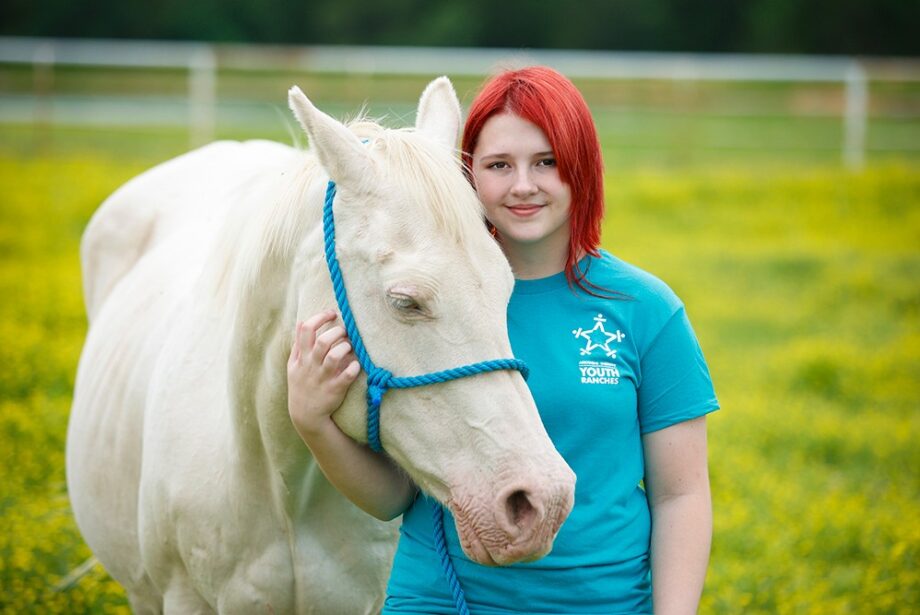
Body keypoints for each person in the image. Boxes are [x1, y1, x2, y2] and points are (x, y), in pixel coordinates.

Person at [287, 66, 719, 614]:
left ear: (581, 168)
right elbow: (396, 498)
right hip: (441, 600)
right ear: (468, 175)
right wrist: (312, 421)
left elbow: (680, 495)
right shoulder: (427, 301)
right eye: (498, 165)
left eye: (547, 162)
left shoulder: (645, 311)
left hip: (599, 602)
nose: (522, 185)